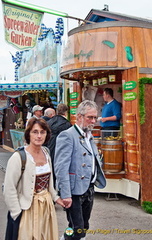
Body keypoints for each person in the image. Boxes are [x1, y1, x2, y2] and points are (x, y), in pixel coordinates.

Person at [3, 118, 65, 240]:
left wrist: (56, 198)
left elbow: (49, 183)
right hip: (27, 209)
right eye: (35, 132)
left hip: (46, 207)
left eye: (42, 132)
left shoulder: (46, 152)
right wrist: (16, 213)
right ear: (28, 134)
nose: (39, 136)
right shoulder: (19, 157)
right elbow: (9, 188)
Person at [54, 100, 106, 240]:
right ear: (79, 117)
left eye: (95, 117)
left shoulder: (88, 135)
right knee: (78, 229)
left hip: (88, 188)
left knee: (82, 226)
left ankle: (65, 237)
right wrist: (65, 194)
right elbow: (61, 167)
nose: (93, 121)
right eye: (90, 117)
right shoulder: (67, 135)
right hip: (74, 190)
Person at [46, 103, 72, 185]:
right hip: (61, 151)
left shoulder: (49, 122)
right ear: (66, 112)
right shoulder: (67, 124)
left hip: (49, 148)